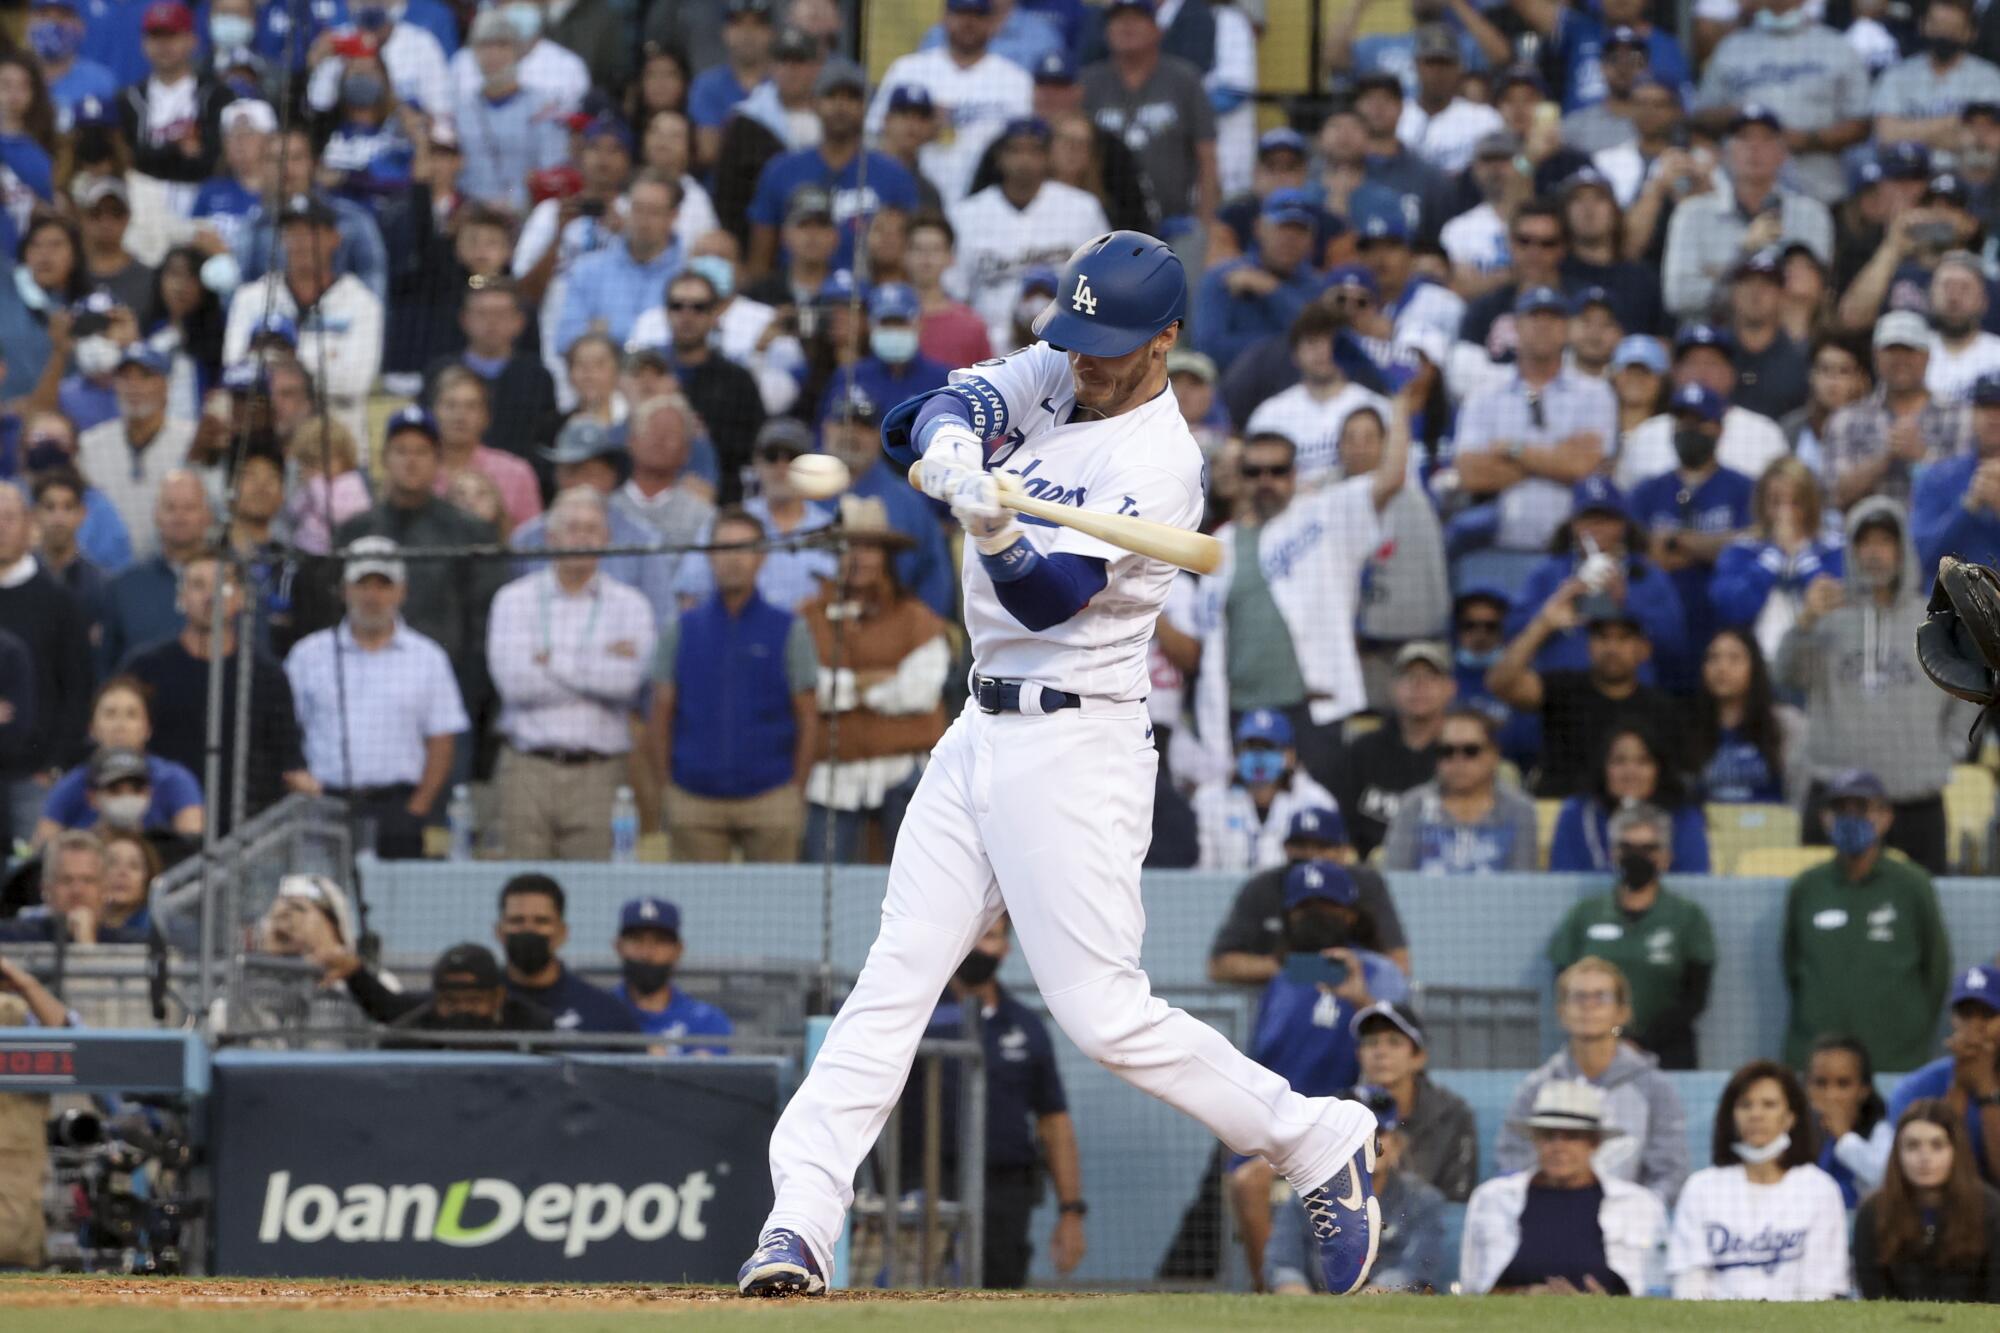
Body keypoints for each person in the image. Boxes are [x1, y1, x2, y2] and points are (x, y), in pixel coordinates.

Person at [739, 232, 1386, 1299]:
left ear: (1166, 341)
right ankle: (799, 1221)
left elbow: (1048, 597)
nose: (1084, 361)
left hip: (1076, 740)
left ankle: (1316, 1136)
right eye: (1076, 338)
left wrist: (994, 533)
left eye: (1109, 346)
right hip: (977, 726)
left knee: (1101, 1016)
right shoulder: (1062, 364)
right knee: (893, 980)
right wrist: (952, 450)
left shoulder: (1159, 463)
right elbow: (918, 418)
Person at [1193, 369, 1420, 792]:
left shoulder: (1323, 516)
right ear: (1241, 477)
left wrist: (1400, 401)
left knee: (1317, 825)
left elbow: (1390, 478)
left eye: (1277, 471)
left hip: (1312, 711)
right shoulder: (1218, 545)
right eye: (1255, 472)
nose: (1266, 482)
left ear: (1294, 475)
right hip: (1242, 713)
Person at [1228, 860, 1409, 1287]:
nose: (1314, 916)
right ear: (1289, 915)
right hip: (1283, 1129)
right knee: (1246, 1180)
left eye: (1326, 906)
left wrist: (1359, 992)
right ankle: (1275, 1296)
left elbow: (1397, 1042)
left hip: (1352, 1121)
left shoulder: (1376, 969)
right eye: (1304, 907)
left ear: (1349, 913)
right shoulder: (1288, 974)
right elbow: (1263, 1059)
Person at [899, 916, 1087, 1290]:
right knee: (911, 1296)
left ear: (1005, 948)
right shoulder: (916, 1012)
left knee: (999, 1297)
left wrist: (1071, 1211)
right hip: (925, 1184)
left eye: (990, 936)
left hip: (1004, 1192)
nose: (979, 947)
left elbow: (1054, 1121)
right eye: (974, 935)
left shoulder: (1026, 1026)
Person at [1776, 500, 1961, 874]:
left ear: (1902, 550)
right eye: (1865, 543)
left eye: (1884, 542)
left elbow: (1968, 696)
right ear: (1852, 550)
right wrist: (1806, 622)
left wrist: (1949, 748)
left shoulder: (1937, 623)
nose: (1874, 553)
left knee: (1918, 916)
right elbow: (1787, 676)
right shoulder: (1826, 617)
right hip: (1836, 798)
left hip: (1914, 801)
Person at [487, 489, 655, 861]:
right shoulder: (514, 600)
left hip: (600, 772)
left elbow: (625, 684)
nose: (582, 537)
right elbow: (516, 685)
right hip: (526, 768)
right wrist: (597, 661)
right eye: (573, 528)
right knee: (520, 885)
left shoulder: (631, 605)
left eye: (592, 529)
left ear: (607, 538)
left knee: (592, 893)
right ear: (551, 537)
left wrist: (550, 662)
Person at [650, 508, 819, 863]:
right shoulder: (681, 629)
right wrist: (668, 788)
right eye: (724, 549)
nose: (734, 560)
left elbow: (808, 716)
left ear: (762, 557)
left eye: (744, 548)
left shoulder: (790, 629)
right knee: (699, 913)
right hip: (693, 798)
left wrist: (794, 791)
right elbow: (661, 712)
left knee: (772, 911)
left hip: (771, 798)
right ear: (710, 556)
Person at [282, 538, 468, 859]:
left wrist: (418, 809)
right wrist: (298, 779)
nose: (372, 596)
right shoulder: (308, 655)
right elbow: (283, 729)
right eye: (362, 585)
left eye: (383, 585)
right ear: (344, 591)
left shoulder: (427, 657)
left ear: (402, 592)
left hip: (398, 807)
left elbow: (442, 739)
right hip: (324, 802)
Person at [799, 497, 948, 864]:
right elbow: (808, 690)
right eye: (849, 546)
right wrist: (872, 682)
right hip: (833, 777)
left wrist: (844, 688)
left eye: (869, 548)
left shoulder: (917, 618)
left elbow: (919, 693)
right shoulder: (808, 617)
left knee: (916, 877)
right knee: (820, 883)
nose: (859, 557)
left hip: (903, 771)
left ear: (885, 556)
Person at [120, 551, 310, 832]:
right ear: (181, 598)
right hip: (162, 829)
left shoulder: (266, 675)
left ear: (241, 598)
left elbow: (288, 759)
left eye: (222, 585)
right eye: (198, 585)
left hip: (245, 832)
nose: (210, 596)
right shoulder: (145, 668)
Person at [1782, 769, 1953, 1074]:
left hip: (1897, 1060)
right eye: (1840, 810)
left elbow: (1937, 969)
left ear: (1885, 817)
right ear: (1824, 818)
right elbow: (1792, 965)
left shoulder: (1913, 885)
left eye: (1861, 808)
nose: (1851, 818)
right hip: (1818, 1064)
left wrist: (1910, 1032)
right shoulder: (1806, 887)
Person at [1494, 957, 1689, 1204]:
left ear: (1622, 1013)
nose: (1589, 1006)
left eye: (1601, 997)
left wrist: (1638, 1214)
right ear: (1561, 1012)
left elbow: (1670, 1173)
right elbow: (1512, 1164)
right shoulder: (1536, 1088)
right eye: (1578, 997)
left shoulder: (1655, 1088)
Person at [1450, 285, 1618, 554]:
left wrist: (1512, 449)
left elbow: (1584, 467)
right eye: (1534, 317)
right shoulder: (1484, 394)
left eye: (1553, 318)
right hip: (1496, 547)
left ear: (1567, 328)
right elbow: (1469, 474)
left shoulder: (1595, 392)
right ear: (1515, 327)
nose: (1543, 326)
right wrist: (1557, 459)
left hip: (1571, 550)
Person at [1547, 804, 1716, 1070]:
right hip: (1594, 1047)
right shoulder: (1585, 914)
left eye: (1648, 849)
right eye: (1627, 848)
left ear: (1665, 857)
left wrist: (1643, 1042)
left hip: (1670, 1052)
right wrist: (1616, 1038)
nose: (1637, 857)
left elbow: (1694, 998)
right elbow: (1564, 984)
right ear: (1613, 854)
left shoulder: (1688, 917)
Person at [1463, 1079, 1668, 1294]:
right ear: (1535, 1140)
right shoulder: (1492, 1199)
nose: (1558, 1147)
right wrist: (1526, 1295)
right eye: (1549, 1136)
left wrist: (1604, 1307)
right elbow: (1472, 1291)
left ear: (1594, 1143)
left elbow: (1658, 1293)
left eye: (1572, 1137)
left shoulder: (1640, 1204)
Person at [1669, 1060, 1849, 1300]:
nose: (1756, 1114)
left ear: (1789, 1118)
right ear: (1732, 1116)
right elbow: (1689, 1283)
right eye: (1745, 1105)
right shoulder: (1701, 1188)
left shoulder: (1819, 1189)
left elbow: (1820, 1288)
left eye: (1769, 1105)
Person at [221, 195, 384, 447]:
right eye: (293, 233)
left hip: (338, 445)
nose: (302, 242)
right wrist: (320, 364)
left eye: (312, 232)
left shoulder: (361, 302)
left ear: (334, 239)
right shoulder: (251, 298)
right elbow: (234, 365)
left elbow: (355, 380)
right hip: (264, 445)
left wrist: (279, 363)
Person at [1487, 590, 1680, 798]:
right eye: (1602, 637)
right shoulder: (1563, 688)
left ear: (1644, 650)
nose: (1612, 648)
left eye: (1623, 638)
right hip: (1558, 809)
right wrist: (1544, 624)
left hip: (1632, 817)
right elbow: (1501, 683)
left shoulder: (1661, 708)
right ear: (1589, 646)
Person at [951, 116, 1110, 356]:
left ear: (1047, 157)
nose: (1024, 160)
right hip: (991, 350)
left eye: (1033, 151)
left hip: (1066, 346)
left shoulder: (1082, 208)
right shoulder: (966, 214)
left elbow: (1104, 281)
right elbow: (956, 292)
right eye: (1015, 151)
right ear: (999, 158)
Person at [1268, 1084, 1449, 1294]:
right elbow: (1283, 1267)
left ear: (1398, 1145)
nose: (1367, 1142)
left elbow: (1416, 1272)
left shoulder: (1423, 1200)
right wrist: (1309, 1313)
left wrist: (1360, 1307)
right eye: (1353, 1133)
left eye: (1378, 1131)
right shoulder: (1303, 1196)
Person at [1207, 805, 1412, 981]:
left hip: (1354, 1002)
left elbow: (1400, 965)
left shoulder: (1366, 884)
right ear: (1285, 848)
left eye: (1323, 846)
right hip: (1282, 1000)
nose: (1311, 855)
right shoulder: (1263, 887)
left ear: (1344, 851)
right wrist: (1304, 971)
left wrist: (1313, 971)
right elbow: (1219, 966)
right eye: (1300, 845)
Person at [0, 484, 93, 841]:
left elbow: (77, 690)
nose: (2, 527)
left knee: (31, 880)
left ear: (29, 525)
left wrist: (54, 766)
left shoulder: (59, 603)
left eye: (10, 518)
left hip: (33, 779)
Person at [1824, 312, 1974, 512]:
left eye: (1909, 351)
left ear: (1927, 356)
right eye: (1891, 351)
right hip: (1869, 537)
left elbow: (1969, 494)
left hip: (1941, 538)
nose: (1900, 360)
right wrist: (1885, 457)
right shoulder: (1845, 420)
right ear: (1875, 355)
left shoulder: (1962, 417)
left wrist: (1923, 456)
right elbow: (1836, 496)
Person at [1853, 1098, 2000, 1301]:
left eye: (1937, 1145)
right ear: (1897, 1154)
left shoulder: (1991, 1210)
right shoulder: (1872, 1214)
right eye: (1912, 1146)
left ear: (1956, 1151)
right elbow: (1875, 1299)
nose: (1925, 1157)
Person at [1709, 458, 1844, 665]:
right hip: (1757, 670)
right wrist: (1774, 556)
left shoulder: (1834, 549)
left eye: (1796, 502)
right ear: (1762, 503)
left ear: (1811, 505)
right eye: (1776, 502)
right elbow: (1734, 609)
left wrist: (1801, 555)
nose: (1786, 514)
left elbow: (1835, 606)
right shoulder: (1741, 550)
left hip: (1821, 663)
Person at [74, 345, 199, 560]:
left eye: (145, 377)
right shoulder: (90, 444)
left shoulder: (192, 440)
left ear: (165, 385)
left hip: (175, 565)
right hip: (108, 572)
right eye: (125, 378)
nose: (134, 387)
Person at [1379, 706, 1538, 873]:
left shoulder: (1519, 810)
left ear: (1494, 754)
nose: (1458, 760)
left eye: (1471, 751)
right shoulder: (1413, 805)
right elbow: (1395, 880)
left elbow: (1523, 883)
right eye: (1447, 751)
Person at [34, 682, 201, 842]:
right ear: (92, 728)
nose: (120, 725)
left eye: (131, 714)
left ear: (147, 728)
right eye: (110, 714)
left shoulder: (175, 780)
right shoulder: (71, 785)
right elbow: (42, 853)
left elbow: (192, 849)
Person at [1330, 642, 1450, 856]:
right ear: (1392, 687)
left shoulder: (1461, 752)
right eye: (1408, 676)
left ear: (1450, 688)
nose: (1419, 685)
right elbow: (1344, 826)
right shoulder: (1362, 752)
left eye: (1430, 676)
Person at [1349, 1002, 1477, 1202]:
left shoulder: (1453, 1115)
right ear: (1359, 1056)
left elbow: (1457, 1200)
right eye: (1372, 1042)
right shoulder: (1340, 1111)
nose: (1380, 1052)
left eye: (1394, 1042)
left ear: (1419, 1057)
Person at [1887, 966, 2000, 1189]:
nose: (1975, 1027)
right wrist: (1958, 1087)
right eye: (1965, 1014)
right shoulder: (1916, 1087)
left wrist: (1986, 1089)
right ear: (1952, 1020)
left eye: (1987, 1015)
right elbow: (1929, 1175)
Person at [1549, 724, 1712, 874]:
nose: (1630, 772)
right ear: (1603, 767)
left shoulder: (1684, 817)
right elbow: (1562, 883)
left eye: (1643, 761)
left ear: (1659, 769)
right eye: (1619, 761)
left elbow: (1694, 884)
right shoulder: (1576, 814)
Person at [1191, 709, 1339, 872]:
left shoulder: (1316, 801)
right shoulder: (1208, 799)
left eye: (1268, 747)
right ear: (1236, 753)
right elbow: (1202, 870)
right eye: (1250, 747)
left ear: (1290, 756)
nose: (1258, 756)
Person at [95, 467, 210, 672]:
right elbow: (106, 669)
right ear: (156, 515)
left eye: (189, 507)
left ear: (207, 516)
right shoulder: (122, 588)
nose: (179, 516)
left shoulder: (233, 584)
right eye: (170, 507)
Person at [1688, 627, 1801, 805]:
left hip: (1771, 827)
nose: (1722, 668)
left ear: (1754, 667)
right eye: (1713, 658)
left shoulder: (1785, 723)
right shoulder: (1688, 727)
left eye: (1734, 658)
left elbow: (1800, 792)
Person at [611, 896, 733, 1052]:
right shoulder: (601, 1014)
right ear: (618, 946)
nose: (647, 953)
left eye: (660, 941)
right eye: (636, 940)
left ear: (678, 950)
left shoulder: (707, 1021)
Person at [380, 942, 557, 1043]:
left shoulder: (535, 1030)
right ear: (435, 1000)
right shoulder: (406, 1038)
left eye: (474, 1000)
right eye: (450, 1002)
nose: (463, 1009)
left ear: (498, 997)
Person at [1916, 371, 2000, 581]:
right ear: (1972, 413)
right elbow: (1922, 557)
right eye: (1985, 407)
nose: (1994, 417)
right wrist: (1968, 506)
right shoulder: (1939, 476)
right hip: (1950, 605)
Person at [0, 829, 144, 944]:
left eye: (88, 880)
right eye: (66, 880)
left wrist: (86, 943)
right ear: (45, 889)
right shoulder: (10, 938)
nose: (77, 890)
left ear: (104, 889)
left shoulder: (131, 945)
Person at [1807, 1034, 1892, 1208]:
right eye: (1820, 1083)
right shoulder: (1792, 1133)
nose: (1831, 1095)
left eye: (1843, 1084)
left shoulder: (1880, 1130)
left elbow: (1889, 1180)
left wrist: (1844, 1137)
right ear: (1807, 1087)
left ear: (1863, 1090)